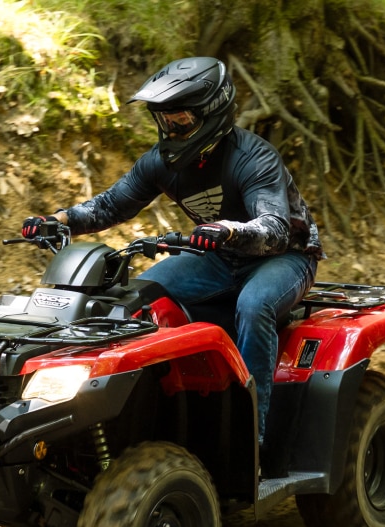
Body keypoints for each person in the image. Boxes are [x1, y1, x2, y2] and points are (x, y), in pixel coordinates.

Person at [21, 56, 323, 443]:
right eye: (163, 120)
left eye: (179, 120)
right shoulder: (160, 163)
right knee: (137, 297)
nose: (170, 128)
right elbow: (111, 205)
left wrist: (227, 230)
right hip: (218, 257)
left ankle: (252, 435)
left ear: (211, 113)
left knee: (254, 305)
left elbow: (275, 229)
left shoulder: (253, 157)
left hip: (286, 257)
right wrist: (59, 220)